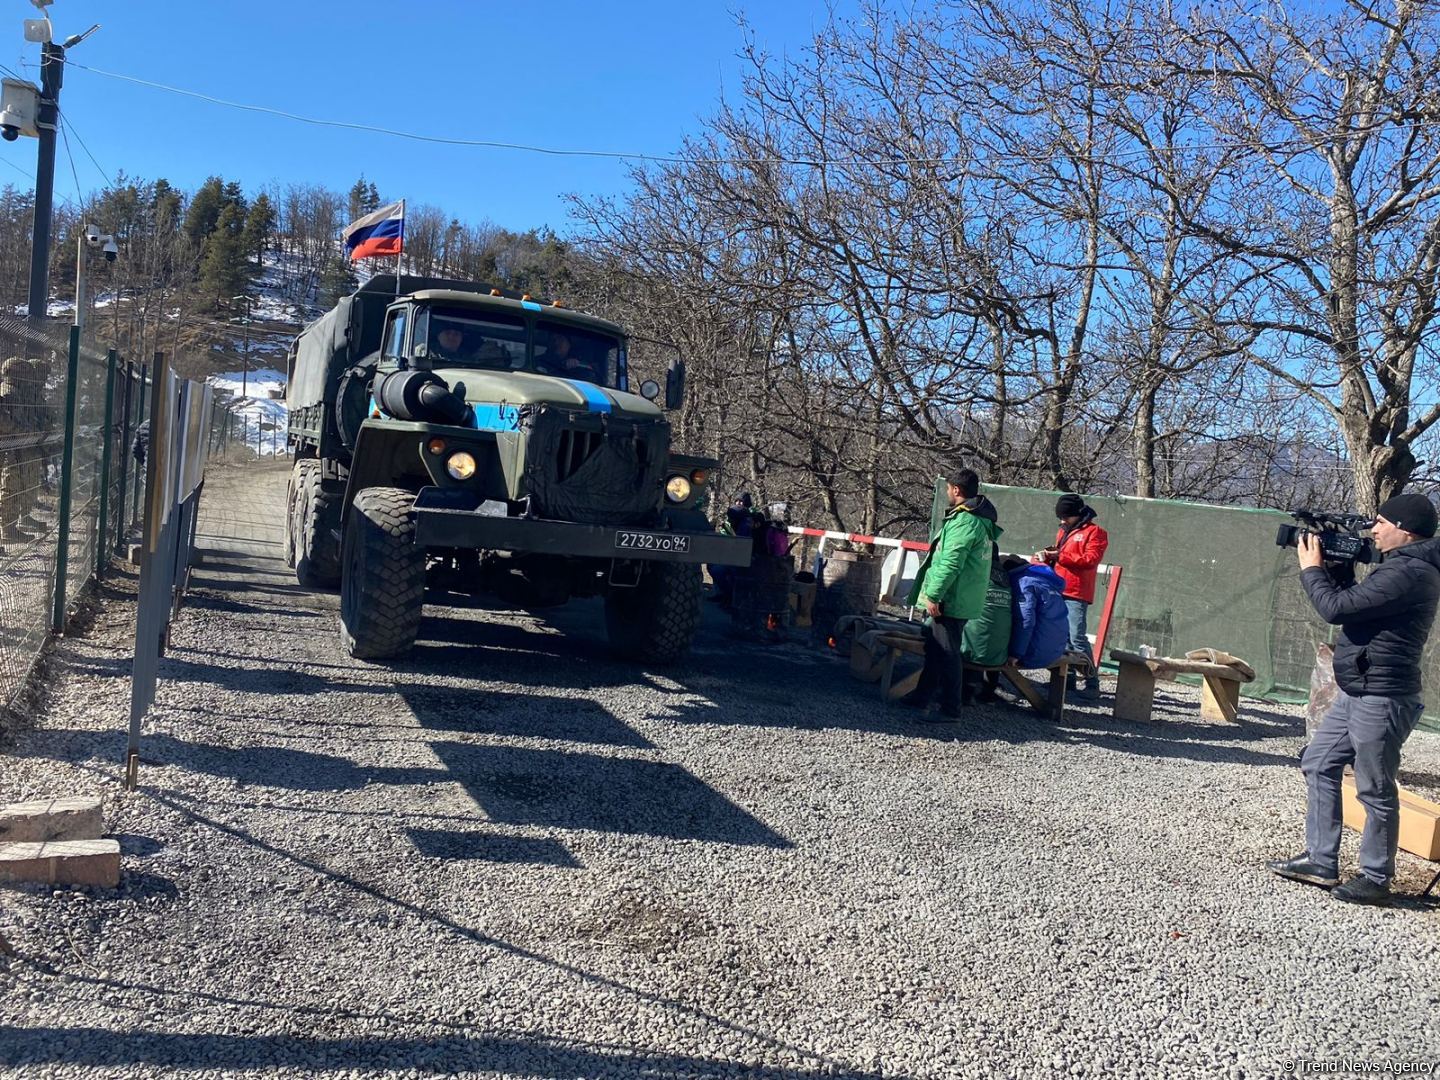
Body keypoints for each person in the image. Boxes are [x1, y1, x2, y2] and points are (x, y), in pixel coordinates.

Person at [1268, 494, 1440, 906]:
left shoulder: (1411, 572)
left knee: (1375, 787)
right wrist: (1338, 569)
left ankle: (1376, 877)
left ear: (1407, 530)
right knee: (1319, 760)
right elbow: (1358, 607)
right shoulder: (1399, 567)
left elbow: (1334, 608)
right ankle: (1320, 859)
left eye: (1382, 523)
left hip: (1383, 696)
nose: (1374, 530)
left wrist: (1312, 570)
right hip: (1360, 689)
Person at [901, 468, 1001, 721]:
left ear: (956, 490)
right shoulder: (978, 520)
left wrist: (934, 595)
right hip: (961, 596)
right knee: (936, 649)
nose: (946, 492)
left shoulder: (965, 522)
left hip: (952, 598)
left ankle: (950, 708)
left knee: (947, 652)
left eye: (947, 488)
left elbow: (950, 563)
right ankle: (922, 695)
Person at [1036, 493, 1109, 701]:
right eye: (1061, 517)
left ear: (1077, 514)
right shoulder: (1064, 531)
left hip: (1077, 591)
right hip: (1059, 587)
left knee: (1077, 637)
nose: (1062, 520)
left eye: (1066, 516)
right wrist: (1050, 555)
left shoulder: (1096, 533)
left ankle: (1092, 682)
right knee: (1061, 636)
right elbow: (1062, 554)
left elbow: (1090, 559)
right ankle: (1065, 680)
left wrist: (1060, 556)